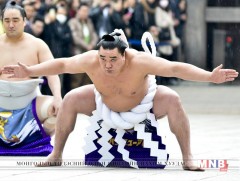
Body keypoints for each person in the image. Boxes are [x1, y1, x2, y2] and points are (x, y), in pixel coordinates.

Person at [2, 30, 238, 170]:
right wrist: (30, 70)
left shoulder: (141, 61)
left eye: (113, 59)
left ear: (124, 55)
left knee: (173, 98)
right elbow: (62, 64)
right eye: (103, 57)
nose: (107, 64)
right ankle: (56, 155)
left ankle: (187, 158)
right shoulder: (92, 60)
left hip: (144, 104)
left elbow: (175, 68)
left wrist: (209, 76)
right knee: (72, 97)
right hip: (103, 101)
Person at [0, 0, 62, 153]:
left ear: (25, 21)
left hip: (29, 100)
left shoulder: (38, 44)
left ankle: (35, 140)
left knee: (59, 110)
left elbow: (53, 72)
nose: (11, 25)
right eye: (7, 20)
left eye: (15, 20)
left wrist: (58, 97)